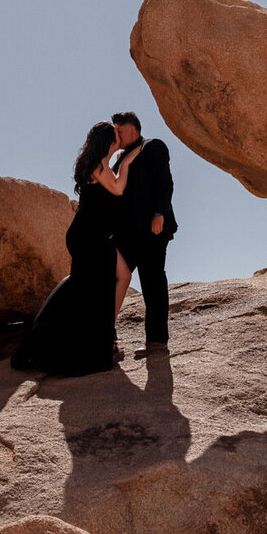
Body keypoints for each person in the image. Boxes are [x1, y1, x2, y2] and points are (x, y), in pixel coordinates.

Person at [12, 122, 143, 376]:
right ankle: (99, 340)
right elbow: (117, 187)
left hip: (91, 234)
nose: (119, 137)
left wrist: (122, 159)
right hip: (88, 236)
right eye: (115, 135)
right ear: (108, 141)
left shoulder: (101, 164)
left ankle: (107, 334)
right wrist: (126, 163)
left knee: (113, 278)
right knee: (93, 285)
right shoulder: (98, 166)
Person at [110, 111, 177, 358]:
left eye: (119, 130)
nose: (115, 135)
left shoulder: (153, 146)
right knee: (112, 282)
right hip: (125, 235)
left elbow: (165, 182)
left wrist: (159, 213)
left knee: (153, 283)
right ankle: (108, 342)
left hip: (152, 230)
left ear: (132, 130)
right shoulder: (119, 158)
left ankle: (157, 343)